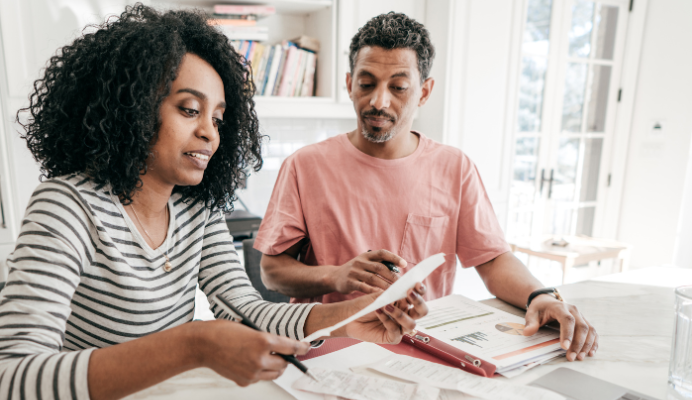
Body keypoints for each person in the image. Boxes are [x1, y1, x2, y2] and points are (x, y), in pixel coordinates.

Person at [0, 5, 429, 400]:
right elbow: (2, 388)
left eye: (218, 117)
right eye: (189, 110)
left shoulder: (197, 207)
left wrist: (349, 317)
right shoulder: (68, 206)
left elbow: (245, 311)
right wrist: (193, 344)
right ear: (130, 107)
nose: (209, 133)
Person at [255, 12, 598, 363]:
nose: (379, 102)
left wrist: (540, 296)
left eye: (398, 87)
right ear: (349, 83)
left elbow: (493, 260)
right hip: (326, 354)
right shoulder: (304, 165)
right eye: (367, 83)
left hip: (421, 355)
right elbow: (272, 271)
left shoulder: (455, 167)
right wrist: (336, 276)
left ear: (425, 92)